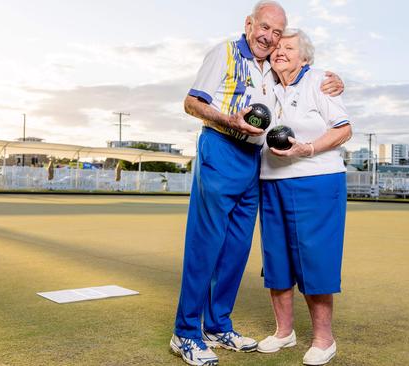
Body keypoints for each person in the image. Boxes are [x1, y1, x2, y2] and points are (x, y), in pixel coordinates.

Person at [170, 2, 344, 365]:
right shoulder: (225, 52)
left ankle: (217, 325)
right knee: (206, 245)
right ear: (249, 24)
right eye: (264, 28)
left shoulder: (272, 66)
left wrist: (337, 80)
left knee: (236, 249)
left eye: (277, 33)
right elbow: (191, 102)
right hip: (221, 147)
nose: (269, 38)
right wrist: (228, 120)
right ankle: (186, 332)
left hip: (254, 161)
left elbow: (308, 79)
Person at [255, 28, 352, 366]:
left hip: (317, 180)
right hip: (271, 180)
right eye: (277, 47)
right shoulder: (263, 81)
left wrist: (307, 148)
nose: (280, 50)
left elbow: (343, 129)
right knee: (276, 259)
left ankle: (324, 340)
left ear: (304, 57)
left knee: (315, 259)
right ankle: (284, 332)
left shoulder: (321, 80)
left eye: (289, 47)